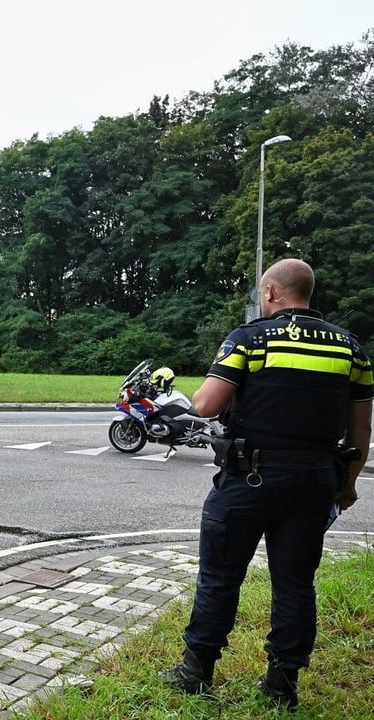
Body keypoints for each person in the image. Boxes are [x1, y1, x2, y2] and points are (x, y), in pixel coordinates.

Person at [159, 258, 372, 709]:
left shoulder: (250, 338)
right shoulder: (352, 349)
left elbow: (207, 405)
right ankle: (282, 684)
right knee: (295, 582)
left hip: (249, 476)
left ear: (272, 293)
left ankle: (196, 670)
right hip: (315, 480)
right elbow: (360, 433)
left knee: (219, 575)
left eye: (262, 292)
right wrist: (347, 485)